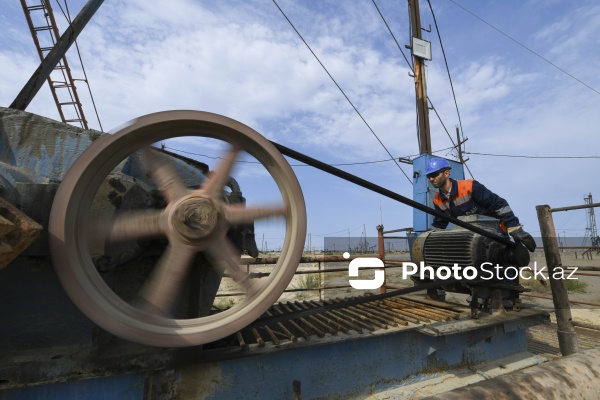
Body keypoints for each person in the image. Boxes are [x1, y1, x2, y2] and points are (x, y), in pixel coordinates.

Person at [425, 157, 536, 252]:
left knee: (504, 266)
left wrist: (514, 227)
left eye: (434, 174)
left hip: (495, 232)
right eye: (428, 176)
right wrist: (426, 238)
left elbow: (499, 204)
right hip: (470, 238)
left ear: (446, 173)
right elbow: (440, 223)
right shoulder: (437, 200)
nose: (431, 179)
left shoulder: (469, 186)